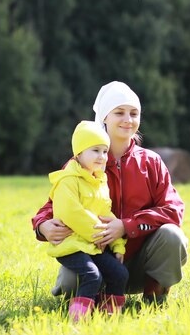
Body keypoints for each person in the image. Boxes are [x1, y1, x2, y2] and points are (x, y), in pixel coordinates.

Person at [33, 81, 188, 306]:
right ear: (105, 117)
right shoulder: (80, 163)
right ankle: (93, 296)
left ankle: (155, 296)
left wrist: (126, 226)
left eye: (134, 113)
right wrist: (42, 226)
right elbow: (54, 204)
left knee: (173, 235)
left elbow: (173, 211)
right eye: (119, 112)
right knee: (70, 283)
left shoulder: (152, 162)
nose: (128, 119)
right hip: (95, 259)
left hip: (142, 264)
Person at [46, 120, 129, 321]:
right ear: (79, 154)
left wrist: (117, 243)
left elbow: (106, 213)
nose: (102, 157)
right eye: (95, 151)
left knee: (120, 273)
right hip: (72, 244)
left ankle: (108, 316)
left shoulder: (100, 181)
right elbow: (71, 213)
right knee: (92, 276)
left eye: (104, 151)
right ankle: (78, 320)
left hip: (92, 243)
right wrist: (99, 234)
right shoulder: (68, 180)